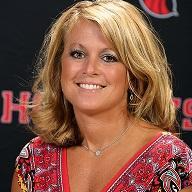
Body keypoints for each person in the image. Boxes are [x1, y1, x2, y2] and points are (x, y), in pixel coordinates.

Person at [11, 0, 192, 191]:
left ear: (134, 72)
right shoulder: (33, 159)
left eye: (109, 58)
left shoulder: (169, 160)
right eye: (78, 54)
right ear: (59, 67)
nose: (90, 69)